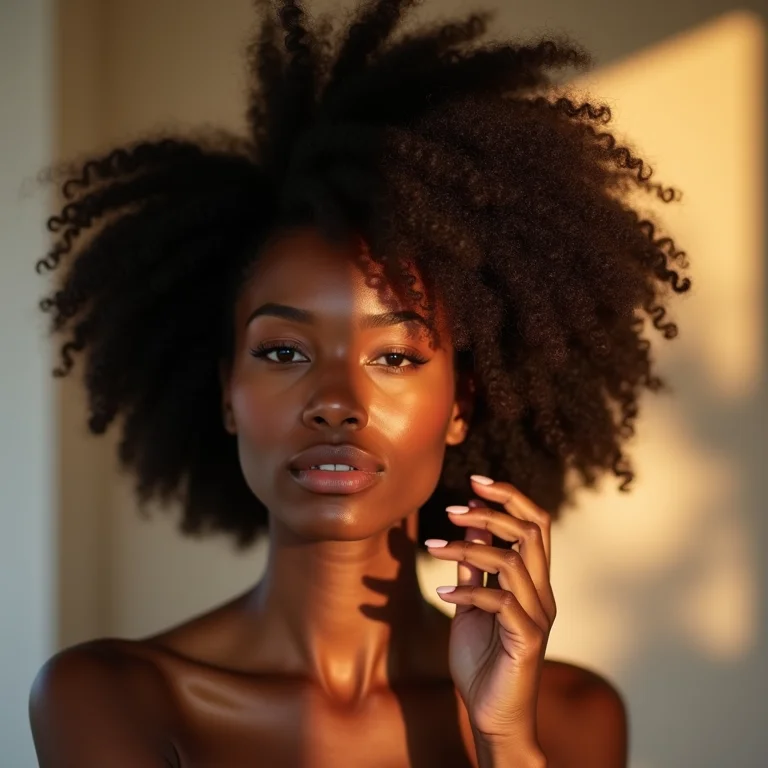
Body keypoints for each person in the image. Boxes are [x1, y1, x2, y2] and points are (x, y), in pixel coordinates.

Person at [28, 0, 692, 765]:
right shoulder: (109, 697)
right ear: (225, 395)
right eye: (283, 353)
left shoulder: (570, 716)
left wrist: (504, 739)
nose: (337, 402)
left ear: (462, 402)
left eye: (396, 357)